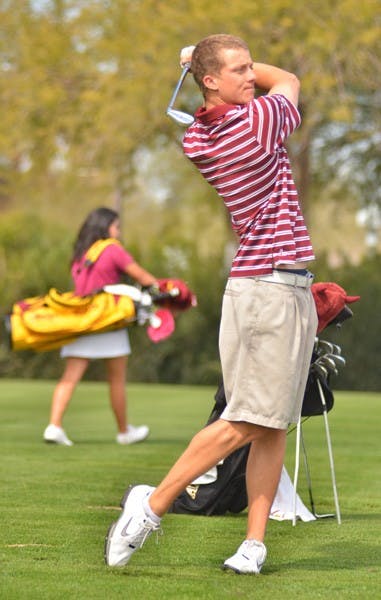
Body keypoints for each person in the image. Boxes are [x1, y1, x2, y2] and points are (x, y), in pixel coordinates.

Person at [104, 34, 318, 574]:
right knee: (247, 419)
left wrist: (201, 63)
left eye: (251, 67)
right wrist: (197, 57)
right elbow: (289, 81)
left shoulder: (200, 134)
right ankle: (150, 507)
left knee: (271, 424)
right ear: (209, 81)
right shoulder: (254, 123)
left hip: (280, 286)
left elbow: (243, 92)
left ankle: (254, 544)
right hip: (266, 290)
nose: (252, 76)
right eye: (239, 69)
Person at [43, 207, 158, 447]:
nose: (118, 231)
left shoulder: (82, 253)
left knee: (69, 376)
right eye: (116, 226)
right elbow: (144, 278)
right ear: (106, 227)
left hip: (82, 320)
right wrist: (164, 289)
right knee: (116, 378)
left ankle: (54, 426)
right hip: (108, 322)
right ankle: (124, 431)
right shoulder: (112, 249)